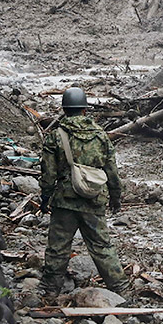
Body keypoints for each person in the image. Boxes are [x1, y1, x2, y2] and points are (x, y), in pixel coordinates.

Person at [39, 87, 130, 298]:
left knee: (58, 247)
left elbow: (48, 173)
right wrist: (116, 198)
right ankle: (120, 288)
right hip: (93, 200)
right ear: (84, 110)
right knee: (102, 246)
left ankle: (51, 289)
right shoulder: (100, 136)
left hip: (64, 201)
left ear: (64, 109)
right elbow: (112, 172)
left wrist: (45, 197)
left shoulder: (56, 137)